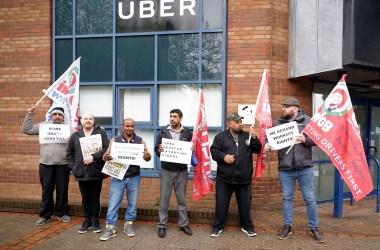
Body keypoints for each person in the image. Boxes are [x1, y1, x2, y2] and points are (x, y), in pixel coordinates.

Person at [264, 97, 324, 243]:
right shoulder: (277, 122)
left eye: (286, 106)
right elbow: (269, 140)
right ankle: (287, 226)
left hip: (305, 168)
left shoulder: (308, 121)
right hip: (285, 168)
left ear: (295, 108)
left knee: (309, 199)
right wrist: (267, 146)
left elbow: (318, 139)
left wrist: (306, 140)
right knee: (287, 198)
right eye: (282, 106)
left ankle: (314, 228)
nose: (283, 109)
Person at [209, 112, 262, 237]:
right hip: (225, 178)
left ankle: (247, 226)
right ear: (230, 123)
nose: (240, 124)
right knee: (221, 203)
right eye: (237, 122)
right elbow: (214, 151)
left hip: (244, 178)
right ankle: (218, 226)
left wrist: (254, 138)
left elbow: (257, 149)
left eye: (241, 122)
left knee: (245, 204)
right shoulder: (220, 137)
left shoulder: (247, 136)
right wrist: (224, 157)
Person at [100, 118, 152, 241]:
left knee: (132, 203)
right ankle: (110, 228)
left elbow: (148, 157)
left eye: (132, 126)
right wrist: (105, 156)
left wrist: (147, 156)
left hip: (134, 176)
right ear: (123, 126)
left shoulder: (140, 141)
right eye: (127, 126)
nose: (129, 128)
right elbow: (105, 156)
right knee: (113, 203)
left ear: (134, 127)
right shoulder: (115, 140)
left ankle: (128, 225)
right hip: (118, 176)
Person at [22, 105, 74, 226]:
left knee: (62, 189)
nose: (57, 117)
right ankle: (45, 215)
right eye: (55, 114)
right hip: (45, 164)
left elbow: (76, 144)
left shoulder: (69, 129)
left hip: (63, 164)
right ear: (51, 115)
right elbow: (26, 129)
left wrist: (72, 139)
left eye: (60, 115)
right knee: (46, 190)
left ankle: (62, 213)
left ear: (63, 117)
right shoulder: (43, 127)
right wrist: (30, 114)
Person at [67, 112, 109, 234]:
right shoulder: (75, 136)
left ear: (93, 120)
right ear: (81, 121)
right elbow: (69, 154)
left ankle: (95, 221)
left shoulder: (100, 133)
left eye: (90, 118)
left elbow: (106, 148)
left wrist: (94, 157)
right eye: (86, 118)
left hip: (95, 171)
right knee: (85, 198)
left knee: (95, 198)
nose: (88, 121)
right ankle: (87, 221)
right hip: (81, 172)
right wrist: (73, 167)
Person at [155, 109, 193, 238]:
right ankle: (161, 225)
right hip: (166, 170)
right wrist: (159, 150)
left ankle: (183, 224)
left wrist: (192, 148)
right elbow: (156, 149)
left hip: (182, 171)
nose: (172, 118)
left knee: (181, 199)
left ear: (180, 118)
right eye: (170, 116)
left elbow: (191, 150)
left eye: (175, 116)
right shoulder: (163, 131)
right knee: (164, 199)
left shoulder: (187, 132)